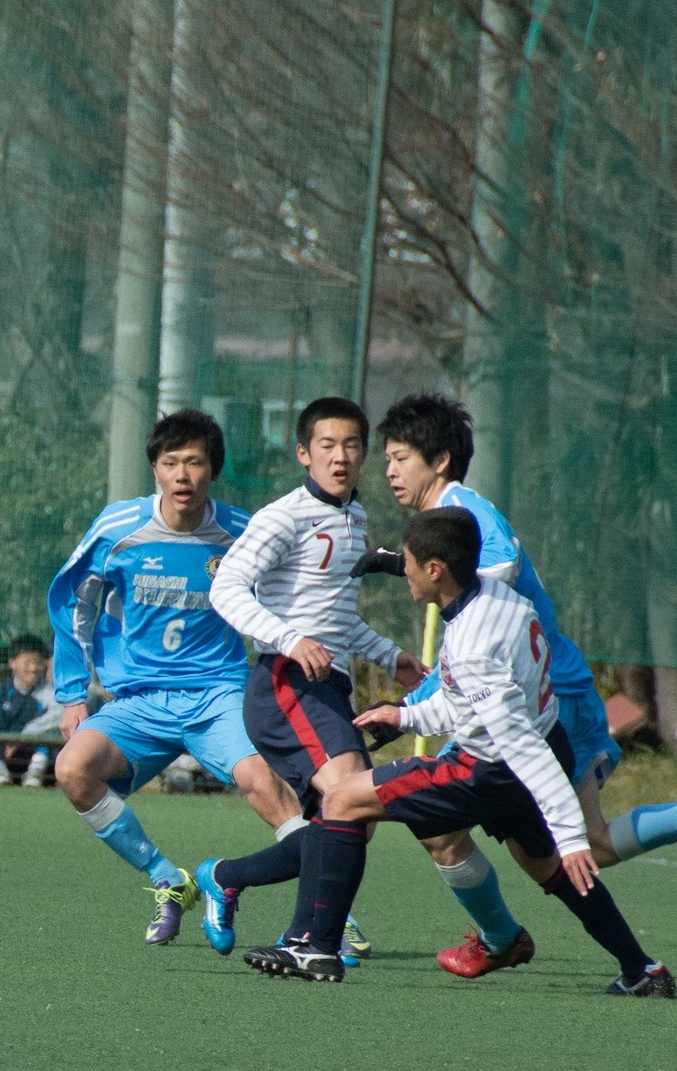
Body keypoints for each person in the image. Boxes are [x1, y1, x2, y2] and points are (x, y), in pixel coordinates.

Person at [368, 392, 677, 977]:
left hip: (542, 698)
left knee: (578, 846)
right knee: (472, 836)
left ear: (439, 460)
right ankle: (508, 940)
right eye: (388, 459)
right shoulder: (450, 519)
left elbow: (488, 585)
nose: (390, 470)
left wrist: (414, 703)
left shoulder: (466, 514)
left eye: (400, 457)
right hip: (537, 690)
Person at [244, 508, 672, 994]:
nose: (402, 569)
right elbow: (471, 703)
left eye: (407, 561)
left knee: (342, 799)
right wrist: (405, 717)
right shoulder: (499, 594)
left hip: (486, 769)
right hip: (537, 743)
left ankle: (316, 948)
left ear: (435, 569)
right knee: (546, 867)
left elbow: (519, 744)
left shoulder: (470, 645)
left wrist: (572, 833)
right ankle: (642, 969)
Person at [48, 409, 303, 946]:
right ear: (155, 470)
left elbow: (284, 604)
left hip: (218, 694)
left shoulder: (240, 534)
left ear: (213, 470)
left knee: (266, 784)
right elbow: (73, 604)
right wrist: (72, 695)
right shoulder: (120, 529)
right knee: (73, 770)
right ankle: (168, 880)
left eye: (194, 462)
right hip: (138, 700)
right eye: (171, 463)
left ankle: (325, 914)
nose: (182, 475)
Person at [199, 397, 424, 962]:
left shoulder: (355, 517)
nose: (339, 457)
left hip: (327, 688)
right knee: (352, 796)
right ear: (304, 453)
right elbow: (224, 589)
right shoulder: (283, 515)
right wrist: (289, 640)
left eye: (351, 446)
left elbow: (338, 617)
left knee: (348, 821)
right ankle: (308, 938)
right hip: (285, 682)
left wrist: (388, 654)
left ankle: (228, 878)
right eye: (326, 446)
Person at [0, 633, 59, 786]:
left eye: (38, 662)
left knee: (51, 734)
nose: (34, 668)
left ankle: (35, 774)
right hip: (4, 753)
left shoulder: (50, 693)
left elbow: (58, 715)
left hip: (32, 752)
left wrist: (22, 738)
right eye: (28, 661)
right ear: (12, 663)